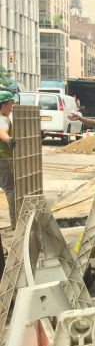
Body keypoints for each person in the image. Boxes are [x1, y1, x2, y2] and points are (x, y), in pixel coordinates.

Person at [0, 91, 16, 239]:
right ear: (4, 105)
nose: (12, 107)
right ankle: (15, 223)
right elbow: (2, 131)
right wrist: (9, 140)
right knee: (10, 190)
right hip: (3, 159)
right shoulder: (3, 118)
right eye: (10, 104)